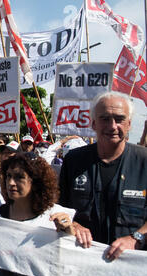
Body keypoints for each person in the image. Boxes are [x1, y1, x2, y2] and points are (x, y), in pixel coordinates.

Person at [0, 152, 76, 276]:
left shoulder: (56, 217)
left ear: (36, 181)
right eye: (8, 176)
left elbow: (73, 265)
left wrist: (69, 235)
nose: (11, 183)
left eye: (19, 177)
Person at [59, 91, 147, 261]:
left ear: (129, 124)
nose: (112, 126)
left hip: (133, 269)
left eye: (119, 119)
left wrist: (136, 238)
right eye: (105, 118)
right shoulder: (74, 161)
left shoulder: (144, 161)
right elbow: (59, 209)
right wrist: (73, 224)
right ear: (93, 124)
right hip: (81, 264)